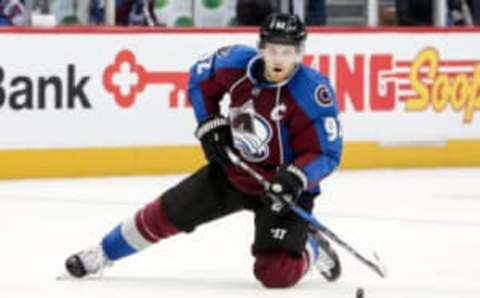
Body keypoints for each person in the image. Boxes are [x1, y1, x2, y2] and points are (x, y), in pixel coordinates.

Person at [64, 13, 343, 288]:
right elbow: (199, 80)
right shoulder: (234, 65)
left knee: (275, 274)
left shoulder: (313, 92)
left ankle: (310, 246)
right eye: (273, 50)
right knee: (164, 213)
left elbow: (327, 153)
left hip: (283, 189)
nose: (279, 59)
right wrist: (209, 121)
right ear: (261, 48)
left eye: (288, 51)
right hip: (234, 171)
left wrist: (296, 177)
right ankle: (103, 252)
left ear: (300, 54)